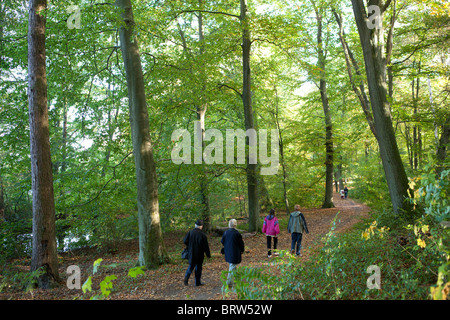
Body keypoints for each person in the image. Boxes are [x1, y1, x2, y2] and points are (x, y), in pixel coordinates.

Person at [183, 219, 211, 286]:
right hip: (199, 254)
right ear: (201, 226)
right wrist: (208, 254)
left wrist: (189, 246)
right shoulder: (203, 235)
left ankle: (186, 279)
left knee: (191, 266)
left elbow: (185, 241)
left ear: (195, 225)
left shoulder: (190, 232)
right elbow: (206, 246)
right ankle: (197, 282)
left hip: (191, 253)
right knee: (198, 268)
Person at [221, 219, 245, 287]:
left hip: (228, 251)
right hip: (235, 252)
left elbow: (222, 241)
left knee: (233, 265)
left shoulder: (226, 233)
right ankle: (228, 282)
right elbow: (241, 244)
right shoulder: (237, 233)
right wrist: (242, 250)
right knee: (232, 265)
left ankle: (237, 279)